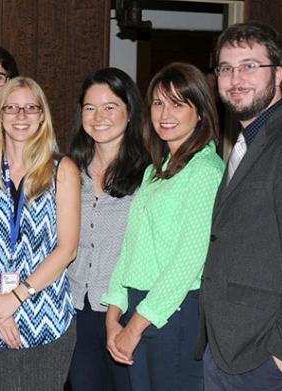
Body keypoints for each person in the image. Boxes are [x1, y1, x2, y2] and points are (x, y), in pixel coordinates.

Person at [198, 22, 282, 390]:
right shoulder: (247, 143)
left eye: (249, 66)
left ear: (277, 74)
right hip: (227, 348)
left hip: (267, 359)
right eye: (226, 68)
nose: (235, 78)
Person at [101, 62, 224, 390]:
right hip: (141, 307)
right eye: (158, 103)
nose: (165, 113)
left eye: (177, 103)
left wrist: (134, 327)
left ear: (200, 112)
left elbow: (188, 262)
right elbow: (131, 248)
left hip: (175, 312)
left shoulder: (206, 171)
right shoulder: (155, 170)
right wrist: (114, 316)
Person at [0, 77, 80, 390]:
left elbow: (67, 249)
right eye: (12, 108)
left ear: (43, 116)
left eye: (31, 108)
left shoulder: (63, 170)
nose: (21, 116)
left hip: (47, 313)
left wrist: (17, 297)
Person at [66, 68, 149, 390]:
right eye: (90, 108)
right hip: (77, 310)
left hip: (127, 312)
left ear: (130, 113)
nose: (98, 116)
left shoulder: (151, 173)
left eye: (110, 107)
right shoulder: (69, 171)